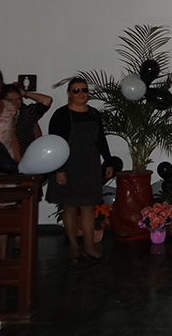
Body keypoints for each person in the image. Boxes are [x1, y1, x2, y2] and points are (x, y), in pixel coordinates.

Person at [46, 77, 114, 262]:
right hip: (67, 164)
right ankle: (74, 247)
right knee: (69, 206)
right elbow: (55, 144)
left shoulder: (93, 113)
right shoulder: (61, 115)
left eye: (84, 90)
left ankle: (89, 247)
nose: (81, 94)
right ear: (69, 93)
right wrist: (59, 170)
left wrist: (108, 161)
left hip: (90, 164)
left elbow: (101, 139)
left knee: (88, 207)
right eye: (76, 91)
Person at [0, 65, 21, 260]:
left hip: (5, 165)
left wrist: (19, 163)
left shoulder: (9, 108)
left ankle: (2, 257)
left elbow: (13, 138)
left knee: (3, 210)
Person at [1, 83, 53, 158]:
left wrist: (24, 93)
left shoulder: (26, 113)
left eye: (18, 98)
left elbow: (47, 100)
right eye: (10, 100)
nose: (15, 102)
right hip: (3, 158)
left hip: (25, 157)